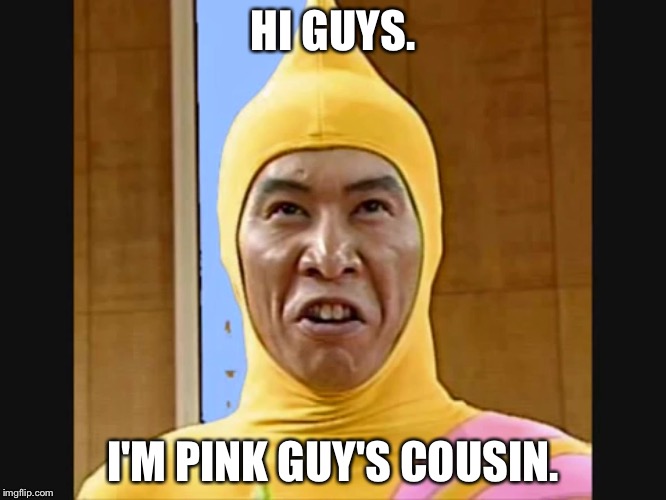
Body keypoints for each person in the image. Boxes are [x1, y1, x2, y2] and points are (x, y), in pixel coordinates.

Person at [78, 0, 592, 498]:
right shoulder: (143, 491)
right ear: (233, 249)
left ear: (428, 240)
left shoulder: (554, 483)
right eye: (287, 210)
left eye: (370, 208)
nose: (328, 257)